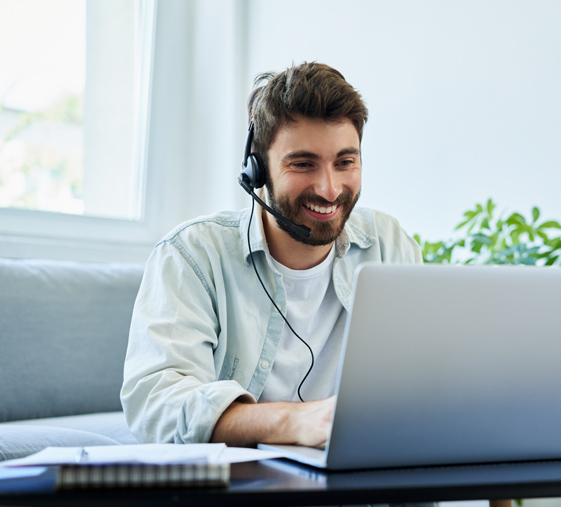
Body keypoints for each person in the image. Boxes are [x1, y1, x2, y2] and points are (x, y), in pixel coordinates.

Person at [121, 62, 423, 448]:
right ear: (257, 166)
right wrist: (292, 422)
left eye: (345, 162)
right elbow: (156, 402)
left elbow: (428, 377)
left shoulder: (389, 244)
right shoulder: (192, 255)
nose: (329, 189)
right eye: (302, 164)